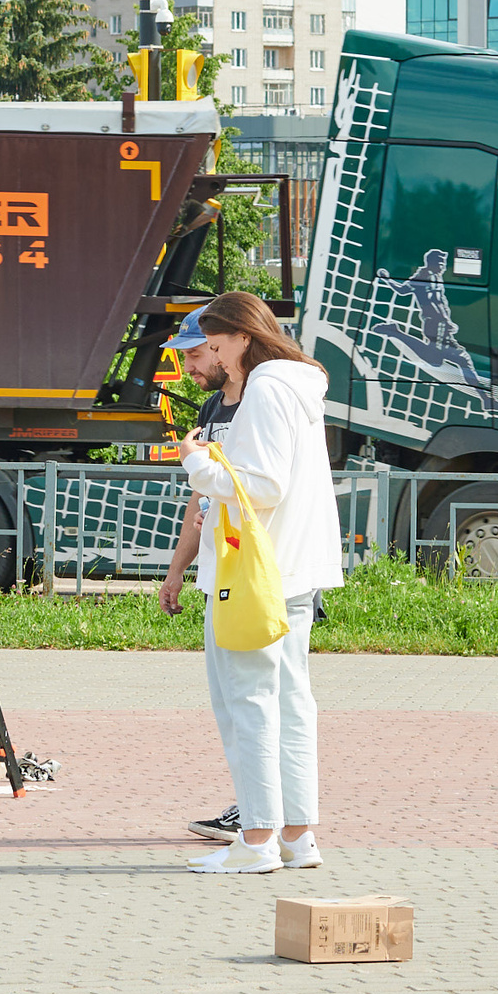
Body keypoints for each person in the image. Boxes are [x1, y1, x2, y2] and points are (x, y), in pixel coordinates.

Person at [155, 291, 345, 874]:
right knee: (289, 702)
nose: (207, 353)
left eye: (213, 342)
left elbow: (262, 485)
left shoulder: (264, 389)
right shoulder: (297, 386)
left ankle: (257, 841)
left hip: (253, 572)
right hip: (291, 570)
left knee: (249, 705)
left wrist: (194, 460)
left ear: (242, 336)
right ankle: (296, 836)